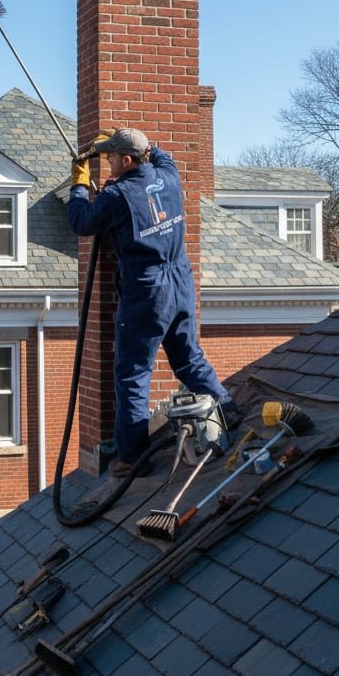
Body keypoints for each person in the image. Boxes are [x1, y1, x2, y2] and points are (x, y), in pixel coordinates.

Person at [68, 127, 235, 477]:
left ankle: (131, 457)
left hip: (148, 290)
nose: (107, 161)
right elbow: (160, 154)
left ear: (127, 160)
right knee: (188, 358)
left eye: (111, 156)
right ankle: (226, 409)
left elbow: (82, 222)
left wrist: (80, 185)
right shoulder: (168, 175)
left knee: (132, 374)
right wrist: (124, 139)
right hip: (181, 280)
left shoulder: (117, 197)